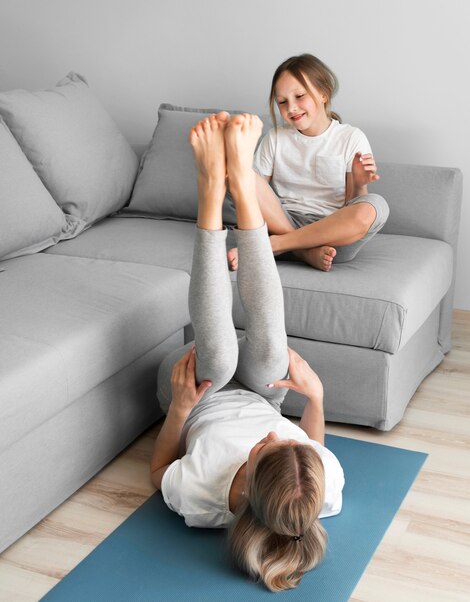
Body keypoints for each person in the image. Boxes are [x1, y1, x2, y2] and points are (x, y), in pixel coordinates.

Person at [150, 112, 344, 592]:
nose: (280, 437)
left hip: (198, 394)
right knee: (274, 349)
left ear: (249, 482)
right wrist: (315, 399)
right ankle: (242, 181)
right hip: (264, 392)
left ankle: (211, 192)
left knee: (216, 360)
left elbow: (157, 472)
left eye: (267, 448)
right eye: (291, 441)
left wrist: (179, 410)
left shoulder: (201, 499)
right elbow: (312, 444)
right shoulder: (318, 490)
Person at [227, 53, 389, 272]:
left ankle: (276, 245)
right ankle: (301, 251)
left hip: (331, 239)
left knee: (376, 206)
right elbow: (252, 194)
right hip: (281, 221)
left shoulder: (351, 138)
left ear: (323, 94)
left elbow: (353, 206)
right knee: (238, 174)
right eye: (283, 102)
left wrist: (360, 183)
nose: (291, 108)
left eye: (299, 96)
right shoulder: (275, 138)